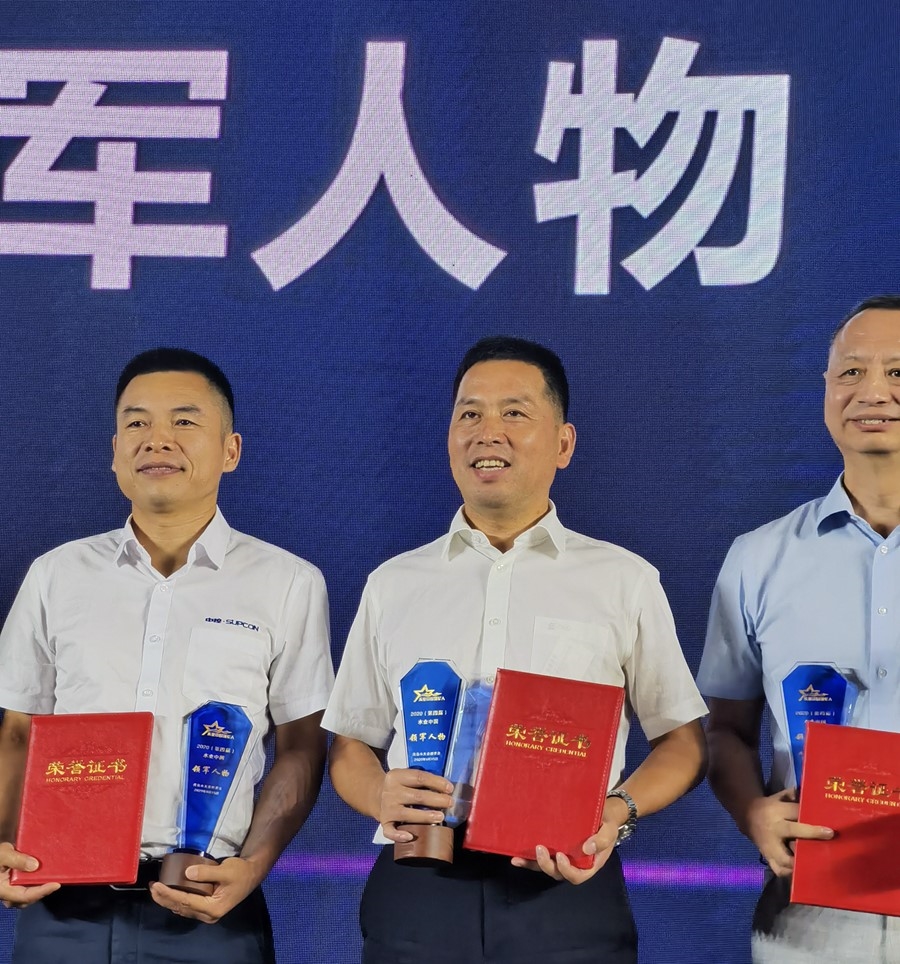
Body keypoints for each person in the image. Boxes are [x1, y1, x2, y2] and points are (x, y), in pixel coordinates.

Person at [322, 336, 707, 964]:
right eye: (469, 413)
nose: (488, 431)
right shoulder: (394, 583)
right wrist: (378, 796)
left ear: (564, 443)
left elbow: (684, 743)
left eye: (515, 412)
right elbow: (349, 744)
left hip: (565, 887)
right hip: (418, 881)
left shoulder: (623, 580)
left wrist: (616, 812)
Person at [0, 347, 334, 964]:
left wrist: (254, 866)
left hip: (209, 906)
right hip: (63, 905)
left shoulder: (288, 583)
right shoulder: (56, 576)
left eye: (184, 421)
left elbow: (301, 747)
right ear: (114, 451)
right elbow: (19, 730)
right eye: (137, 423)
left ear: (230, 450)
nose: (157, 439)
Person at [698, 295, 900, 963]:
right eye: (852, 371)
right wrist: (752, 812)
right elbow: (723, 730)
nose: (873, 391)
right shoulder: (759, 558)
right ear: (826, 389)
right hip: (807, 923)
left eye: (898, 372)